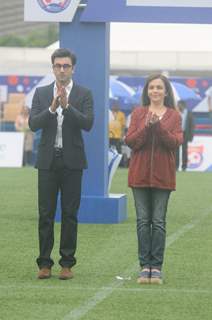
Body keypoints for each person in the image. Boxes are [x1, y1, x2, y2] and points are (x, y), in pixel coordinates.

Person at [29, 48, 94, 280]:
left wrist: (67, 107)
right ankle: (44, 263)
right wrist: (51, 108)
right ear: (53, 68)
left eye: (66, 66)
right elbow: (33, 124)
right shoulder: (41, 93)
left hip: (72, 162)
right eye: (58, 65)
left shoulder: (84, 94)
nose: (62, 69)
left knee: (69, 213)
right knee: (45, 213)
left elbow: (88, 123)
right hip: (47, 161)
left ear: (73, 68)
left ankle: (67, 263)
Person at [125, 74, 183, 284]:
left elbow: (174, 143)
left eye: (159, 87)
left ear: (166, 92)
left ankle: (156, 267)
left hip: (163, 176)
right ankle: (144, 267)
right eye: (152, 88)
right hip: (139, 175)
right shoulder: (138, 113)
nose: (155, 91)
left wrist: (157, 126)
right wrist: (146, 126)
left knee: (158, 222)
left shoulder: (175, 116)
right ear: (147, 91)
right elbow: (131, 141)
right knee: (142, 222)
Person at [176, 100, 194, 171]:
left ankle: (184, 167)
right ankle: (176, 166)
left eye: (178, 105)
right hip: (177, 133)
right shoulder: (176, 113)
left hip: (185, 133)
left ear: (182, 105)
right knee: (176, 151)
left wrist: (191, 136)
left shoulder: (189, 113)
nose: (177, 106)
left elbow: (192, 125)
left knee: (184, 151)